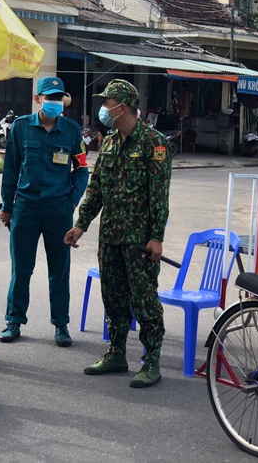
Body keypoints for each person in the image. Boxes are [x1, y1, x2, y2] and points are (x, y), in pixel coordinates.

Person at [64, 79, 172, 388]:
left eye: (107, 103)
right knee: (113, 296)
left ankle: (152, 359)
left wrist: (157, 237)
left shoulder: (154, 142)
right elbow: (96, 188)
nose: (103, 109)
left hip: (139, 239)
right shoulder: (109, 141)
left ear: (122, 107)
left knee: (144, 299)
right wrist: (80, 224)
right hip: (110, 236)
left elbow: (159, 196)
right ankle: (116, 352)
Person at [0, 77, 89, 347]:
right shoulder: (21, 127)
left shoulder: (71, 131)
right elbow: (11, 169)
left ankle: (61, 324)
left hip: (58, 209)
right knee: (21, 268)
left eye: (58, 98)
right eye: (49, 98)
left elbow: (81, 169)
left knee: (59, 269)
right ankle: (13, 320)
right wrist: (7, 206)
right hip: (25, 207)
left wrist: (72, 201)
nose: (54, 103)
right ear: (38, 99)